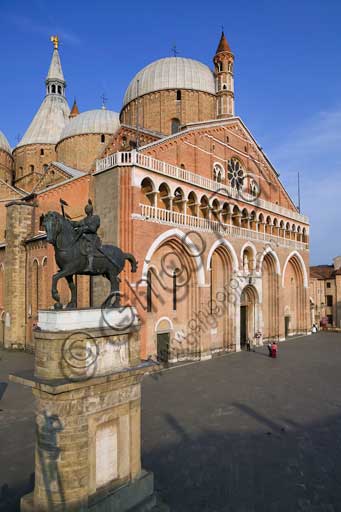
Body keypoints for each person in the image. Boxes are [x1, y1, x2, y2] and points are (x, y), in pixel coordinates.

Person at [71, 199, 101, 272]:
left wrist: (83, 228)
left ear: (91, 210)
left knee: (88, 248)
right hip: (84, 237)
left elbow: (93, 229)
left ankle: (90, 266)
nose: (86, 210)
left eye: (88, 209)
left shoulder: (95, 218)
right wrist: (68, 222)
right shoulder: (85, 219)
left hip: (92, 238)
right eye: (86, 209)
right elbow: (77, 224)